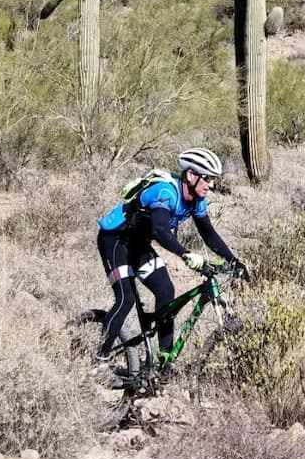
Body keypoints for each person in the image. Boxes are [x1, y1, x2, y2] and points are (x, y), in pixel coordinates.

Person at [91, 147, 245, 363]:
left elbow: (208, 234)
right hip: (115, 240)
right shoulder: (166, 192)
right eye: (208, 178)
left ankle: (163, 364)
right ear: (191, 175)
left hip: (137, 244)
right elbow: (160, 231)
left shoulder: (197, 200)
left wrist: (234, 262)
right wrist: (186, 254)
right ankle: (99, 361)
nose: (211, 185)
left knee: (166, 291)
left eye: (213, 179)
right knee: (126, 299)